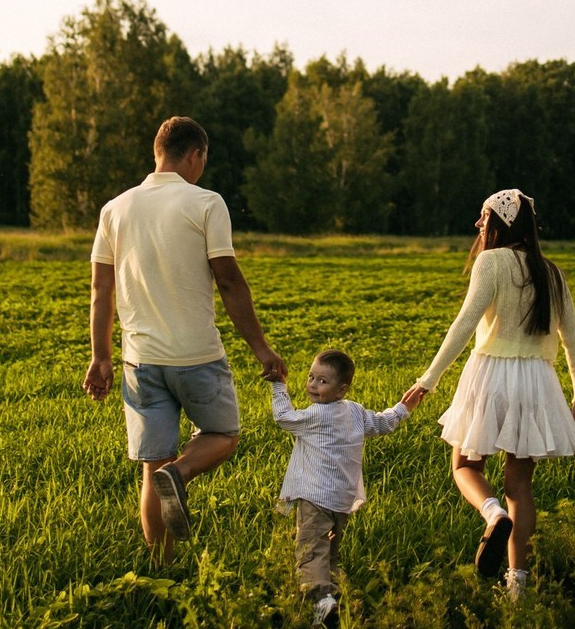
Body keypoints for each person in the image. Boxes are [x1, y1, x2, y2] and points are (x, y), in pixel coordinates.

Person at [82, 116, 287, 558]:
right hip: (197, 356)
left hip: (140, 362)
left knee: (152, 468)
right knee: (222, 435)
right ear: (195, 155)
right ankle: (182, 473)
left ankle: (162, 567)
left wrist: (101, 356)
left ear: (158, 151)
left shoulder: (115, 208)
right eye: (203, 161)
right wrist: (261, 348)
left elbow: (101, 289)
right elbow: (230, 282)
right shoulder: (207, 203)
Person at [404, 189, 575, 600]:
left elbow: (464, 323)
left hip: (490, 375)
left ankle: (492, 515)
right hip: (536, 382)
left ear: (500, 223)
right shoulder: (551, 272)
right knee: (520, 485)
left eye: (483, 217)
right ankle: (517, 586)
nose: (478, 225)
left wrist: (428, 380)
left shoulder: (490, 262)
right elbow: (571, 339)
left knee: (464, 466)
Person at [271, 349, 422, 627]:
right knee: (331, 552)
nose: (313, 385)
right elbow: (382, 423)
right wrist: (403, 408)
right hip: (342, 499)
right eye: (311, 377)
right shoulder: (354, 410)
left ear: (341, 390)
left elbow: (283, 417)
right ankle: (335, 600)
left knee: (310, 550)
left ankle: (321, 599)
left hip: (314, 497)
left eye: (322, 381)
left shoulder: (314, 415)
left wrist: (278, 385)